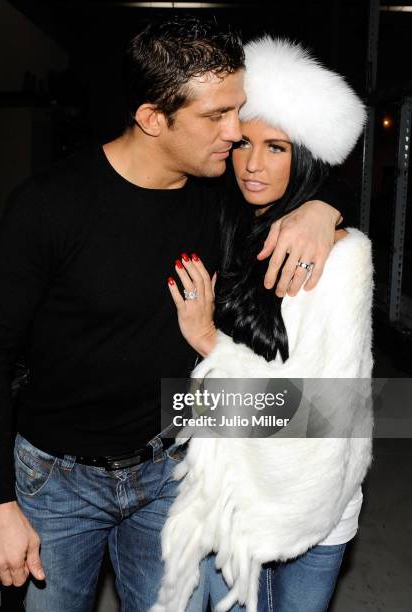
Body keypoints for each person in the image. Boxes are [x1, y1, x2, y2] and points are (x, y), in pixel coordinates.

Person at [0, 18, 352, 612]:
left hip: (170, 475)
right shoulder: (50, 207)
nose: (236, 132)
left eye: (237, 110)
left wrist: (324, 209)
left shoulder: (217, 197)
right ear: (152, 118)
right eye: (216, 117)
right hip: (57, 482)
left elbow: (298, 174)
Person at [155, 37, 372, 612]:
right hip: (228, 494)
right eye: (244, 143)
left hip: (310, 504)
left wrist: (206, 342)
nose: (252, 165)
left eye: (276, 147)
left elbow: (319, 414)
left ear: (305, 158)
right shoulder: (220, 220)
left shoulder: (339, 257)